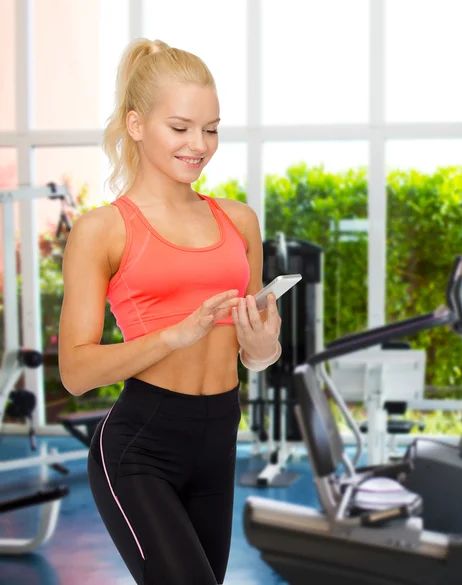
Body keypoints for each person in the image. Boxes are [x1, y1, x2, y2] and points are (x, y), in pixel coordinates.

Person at [58, 38, 282, 585]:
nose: (199, 145)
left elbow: (256, 355)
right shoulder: (102, 229)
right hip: (141, 446)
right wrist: (172, 337)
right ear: (136, 125)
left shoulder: (239, 222)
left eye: (210, 128)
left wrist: (262, 346)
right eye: (180, 128)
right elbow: (76, 371)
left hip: (220, 437)